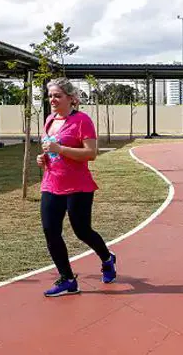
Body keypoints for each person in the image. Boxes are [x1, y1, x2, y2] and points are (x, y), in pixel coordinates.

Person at [37, 77, 117, 297]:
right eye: (50, 95)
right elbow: (51, 149)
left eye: (57, 96)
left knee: (82, 231)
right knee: (50, 231)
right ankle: (68, 279)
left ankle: (107, 258)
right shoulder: (49, 120)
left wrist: (60, 149)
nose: (52, 99)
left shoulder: (82, 120)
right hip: (51, 183)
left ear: (71, 99)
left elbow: (91, 153)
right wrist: (44, 158)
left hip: (78, 186)